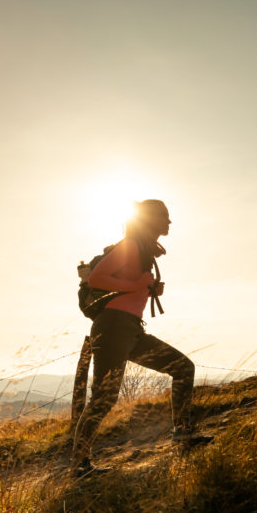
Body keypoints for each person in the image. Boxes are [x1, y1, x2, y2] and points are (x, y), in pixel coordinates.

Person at [71, 199, 210, 477]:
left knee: (183, 368)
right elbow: (97, 278)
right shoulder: (131, 245)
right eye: (164, 217)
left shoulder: (144, 250)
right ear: (149, 219)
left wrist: (149, 290)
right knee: (104, 398)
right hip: (113, 328)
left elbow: (125, 286)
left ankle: (182, 434)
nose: (169, 222)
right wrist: (136, 285)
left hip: (132, 330)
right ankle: (79, 464)